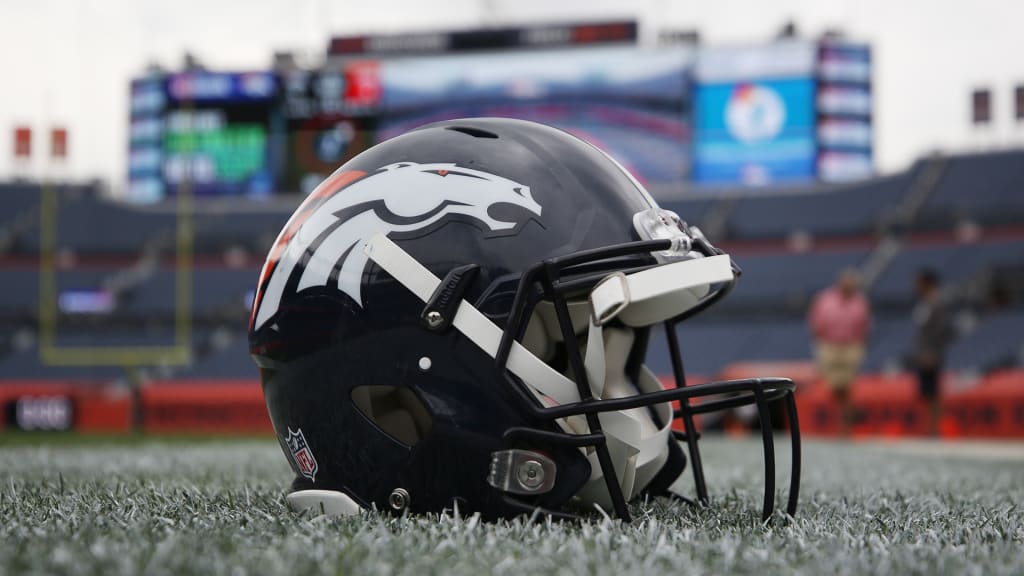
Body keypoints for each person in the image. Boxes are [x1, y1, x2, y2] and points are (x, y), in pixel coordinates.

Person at [808, 268, 871, 436]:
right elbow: (815, 322)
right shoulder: (825, 299)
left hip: (851, 347)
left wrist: (860, 345)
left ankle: (846, 426)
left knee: (848, 387)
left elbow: (865, 327)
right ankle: (839, 422)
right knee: (834, 387)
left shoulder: (860, 302)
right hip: (829, 346)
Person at [912, 268, 953, 436]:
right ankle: (930, 428)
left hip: (931, 354)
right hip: (924, 352)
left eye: (920, 283)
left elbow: (939, 331)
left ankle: (936, 429)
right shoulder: (925, 302)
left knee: (934, 392)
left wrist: (932, 353)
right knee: (927, 394)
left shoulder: (937, 303)